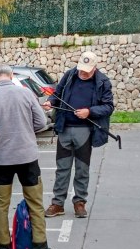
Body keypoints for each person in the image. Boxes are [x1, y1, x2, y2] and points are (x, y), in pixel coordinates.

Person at [0, 65, 52, 249]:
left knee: (1, 205)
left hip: (1, 159)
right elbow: (42, 122)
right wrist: (26, 129)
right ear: (11, 76)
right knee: (35, 202)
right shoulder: (25, 94)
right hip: (27, 156)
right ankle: (40, 248)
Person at [41, 51, 114, 218]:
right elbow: (57, 95)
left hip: (86, 131)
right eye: (81, 69)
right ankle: (57, 204)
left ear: (94, 67)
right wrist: (50, 103)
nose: (83, 72)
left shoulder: (103, 82)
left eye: (87, 70)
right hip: (64, 128)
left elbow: (109, 107)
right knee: (62, 168)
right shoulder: (69, 75)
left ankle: (79, 202)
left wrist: (89, 112)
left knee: (82, 169)